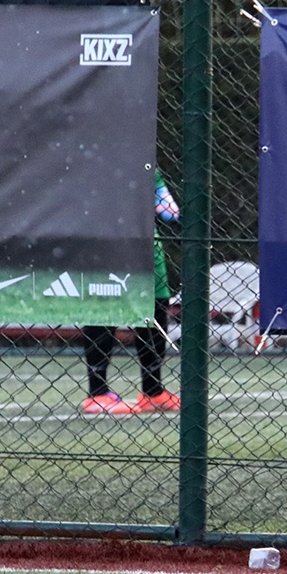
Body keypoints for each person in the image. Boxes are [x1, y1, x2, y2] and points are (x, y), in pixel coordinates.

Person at [81, 169, 182, 415]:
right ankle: (97, 393)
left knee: (156, 307)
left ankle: (153, 391)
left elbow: (169, 212)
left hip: (147, 247)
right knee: (104, 306)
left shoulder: (149, 168)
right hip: (105, 245)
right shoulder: (92, 165)